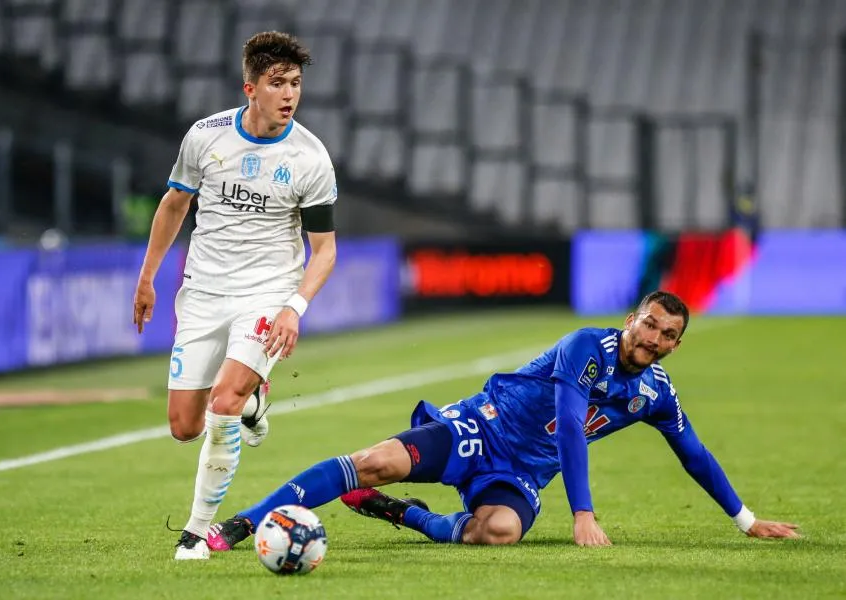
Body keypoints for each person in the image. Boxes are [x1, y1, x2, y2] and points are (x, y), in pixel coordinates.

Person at [205, 291, 799, 549]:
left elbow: (694, 453)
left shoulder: (656, 393)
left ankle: (405, 515)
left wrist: (746, 520)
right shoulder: (585, 347)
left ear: (675, 345)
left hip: (521, 474)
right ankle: (241, 524)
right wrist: (583, 514)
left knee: (499, 533)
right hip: (480, 428)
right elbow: (570, 424)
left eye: (667, 335)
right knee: (375, 461)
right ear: (631, 320)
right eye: (649, 324)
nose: (654, 338)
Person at [132, 31, 338, 560]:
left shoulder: (310, 157)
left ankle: (197, 532)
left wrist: (294, 307)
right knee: (185, 426)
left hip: (267, 293)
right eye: (277, 83)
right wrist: (148, 277)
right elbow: (174, 204)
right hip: (203, 291)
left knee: (221, 404)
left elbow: (324, 250)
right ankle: (253, 400)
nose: (289, 94)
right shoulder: (206, 137)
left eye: (295, 83)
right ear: (250, 88)